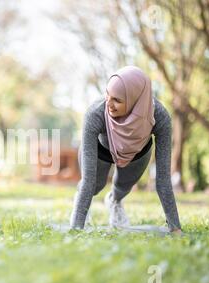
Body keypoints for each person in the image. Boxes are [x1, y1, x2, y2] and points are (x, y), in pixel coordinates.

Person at [70, 66, 182, 234]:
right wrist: (76, 228)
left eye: (117, 100)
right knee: (94, 185)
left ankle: (114, 201)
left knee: (122, 187)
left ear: (135, 100)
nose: (109, 102)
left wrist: (175, 228)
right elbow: (87, 179)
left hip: (137, 152)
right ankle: (81, 207)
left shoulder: (160, 117)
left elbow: (163, 180)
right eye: (107, 94)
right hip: (101, 149)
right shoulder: (95, 113)